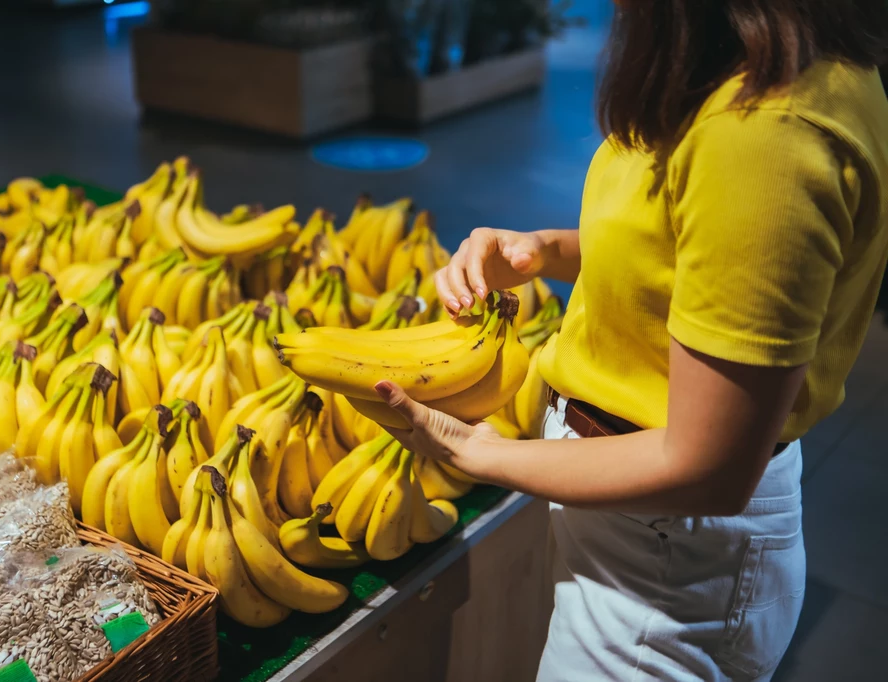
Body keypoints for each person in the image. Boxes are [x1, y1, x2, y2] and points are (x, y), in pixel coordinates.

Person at [372, 1, 888, 680]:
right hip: (650, 535)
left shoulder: (764, 138)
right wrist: (544, 250)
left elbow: (708, 465)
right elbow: (696, 258)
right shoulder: (760, 63)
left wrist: (480, 453)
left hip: (666, 564)